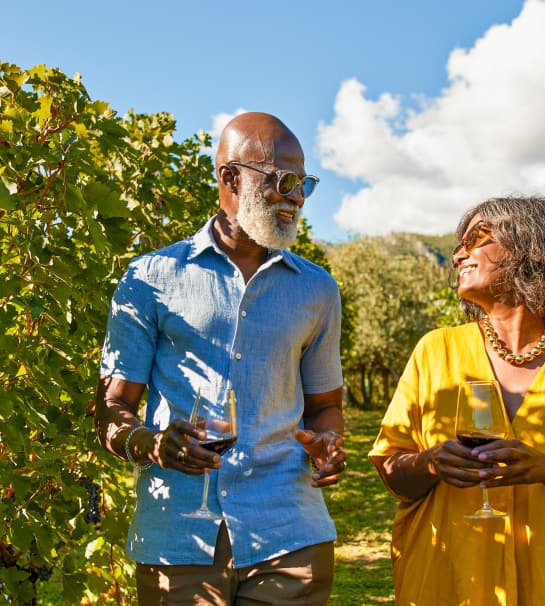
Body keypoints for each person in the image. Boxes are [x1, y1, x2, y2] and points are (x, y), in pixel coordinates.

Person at [95, 112, 347, 605]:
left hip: (289, 533)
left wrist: (329, 442)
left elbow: (325, 406)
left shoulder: (318, 289)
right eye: (282, 180)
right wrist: (150, 444)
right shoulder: (150, 277)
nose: (296, 197)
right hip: (178, 536)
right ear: (230, 177)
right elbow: (111, 409)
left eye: (304, 184)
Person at [369, 195, 545, 605]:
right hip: (450, 585)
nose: (458, 255)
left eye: (477, 239)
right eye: (458, 245)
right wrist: (431, 463)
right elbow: (393, 472)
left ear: (531, 248)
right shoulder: (436, 351)